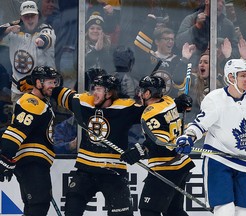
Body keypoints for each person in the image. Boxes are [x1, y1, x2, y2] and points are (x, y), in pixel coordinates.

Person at [175, 59, 246, 216]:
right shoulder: (216, 99)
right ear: (231, 77)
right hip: (219, 161)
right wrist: (189, 137)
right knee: (225, 210)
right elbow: (200, 124)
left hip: (244, 163)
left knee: (243, 213)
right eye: (242, 76)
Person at [51, 75, 145, 216]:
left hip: (113, 172)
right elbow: (57, 93)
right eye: (94, 89)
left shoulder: (126, 108)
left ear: (109, 93)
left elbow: (153, 111)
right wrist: (33, 83)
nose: (94, 92)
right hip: (85, 171)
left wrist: (176, 104)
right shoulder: (84, 103)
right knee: (71, 210)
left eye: (99, 89)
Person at [120, 75, 195, 216]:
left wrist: (140, 151)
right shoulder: (167, 101)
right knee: (173, 210)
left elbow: (160, 142)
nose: (139, 94)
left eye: (142, 91)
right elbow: (171, 109)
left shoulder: (150, 113)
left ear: (148, 93)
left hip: (165, 167)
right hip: (181, 164)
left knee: (149, 210)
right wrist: (181, 102)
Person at [0, 65, 61, 216]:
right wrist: (5, 157)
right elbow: (16, 130)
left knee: (35, 205)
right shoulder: (32, 102)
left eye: (54, 82)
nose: (53, 86)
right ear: (38, 83)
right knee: (38, 204)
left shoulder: (41, 102)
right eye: (49, 82)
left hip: (34, 162)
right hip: (31, 161)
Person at [0, 1, 56, 105]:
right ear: (21, 17)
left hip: (41, 90)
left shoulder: (45, 28)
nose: (30, 19)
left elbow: (47, 39)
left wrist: (41, 41)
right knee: (18, 118)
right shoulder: (14, 28)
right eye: (26, 16)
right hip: (19, 89)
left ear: (38, 15)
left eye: (32, 16)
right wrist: (8, 29)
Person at [134, 14, 196, 98]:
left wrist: (185, 58)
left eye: (172, 39)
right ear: (157, 41)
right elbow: (139, 45)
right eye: (167, 39)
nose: (171, 42)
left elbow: (179, 81)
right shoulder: (149, 57)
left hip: (169, 103)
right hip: (150, 101)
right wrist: (150, 23)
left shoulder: (178, 60)